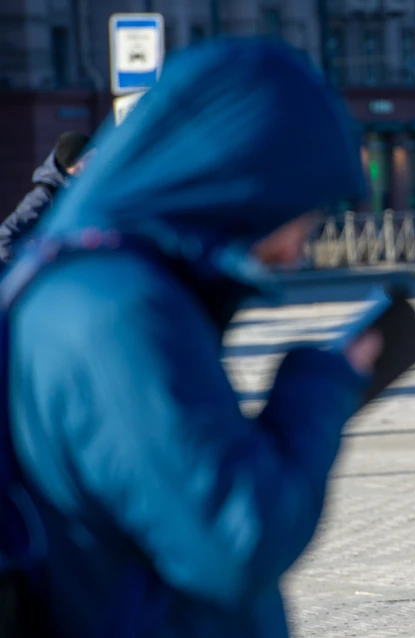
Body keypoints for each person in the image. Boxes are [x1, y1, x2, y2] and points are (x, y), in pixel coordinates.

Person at [5, 39, 379, 637]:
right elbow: (235, 541)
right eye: (298, 213)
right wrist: (316, 388)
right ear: (239, 182)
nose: (295, 250)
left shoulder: (101, 283)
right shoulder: (119, 311)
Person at [0, 131, 92, 263]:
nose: (90, 164)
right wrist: (28, 269)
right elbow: (5, 237)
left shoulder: (82, 191)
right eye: (86, 159)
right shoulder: (46, 194)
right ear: (71, 165)